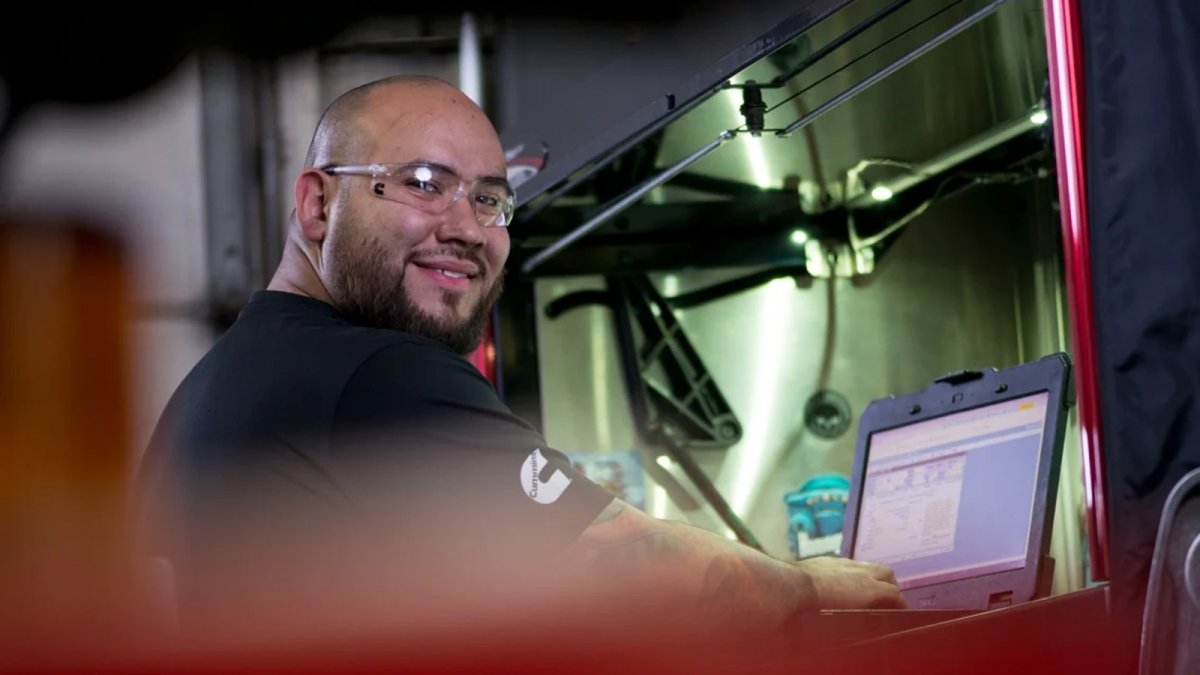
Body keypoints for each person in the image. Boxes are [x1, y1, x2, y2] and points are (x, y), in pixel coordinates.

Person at [134, 74, 903, 651]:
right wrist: (810, 583)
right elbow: (648, 569)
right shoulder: (375, 374)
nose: (467, 228)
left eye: (492, 200)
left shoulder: (207, 391)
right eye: (425, 184)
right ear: (316, 206)